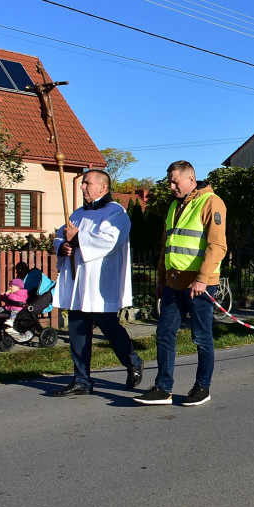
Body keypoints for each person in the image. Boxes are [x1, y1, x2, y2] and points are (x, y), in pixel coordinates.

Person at [135, 161, 227, 406]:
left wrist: (202, 278)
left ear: (191, 180)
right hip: (173, 285)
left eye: (175, 181)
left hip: (199, 285)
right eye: (169, 181)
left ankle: (202, 387)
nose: (171, 185)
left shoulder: (211, 202)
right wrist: (161, 280)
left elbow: (217, 246)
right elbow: (168, 246)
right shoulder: (174, 206)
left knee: (201, 337)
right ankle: (163, 388)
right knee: (164, 334)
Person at [52, 169, 144, 397]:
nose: (82, 187)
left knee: (110, 329)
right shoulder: (77, 214)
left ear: (102, 187)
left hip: (100, 283)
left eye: (87, 183)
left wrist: (78, 239)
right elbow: (59, 235)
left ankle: (132, 361)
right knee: (77, 331)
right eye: (83, 183)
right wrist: (62, 246)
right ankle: (81, 380)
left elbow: (110, 241)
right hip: (77, 283)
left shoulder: (117, 213)